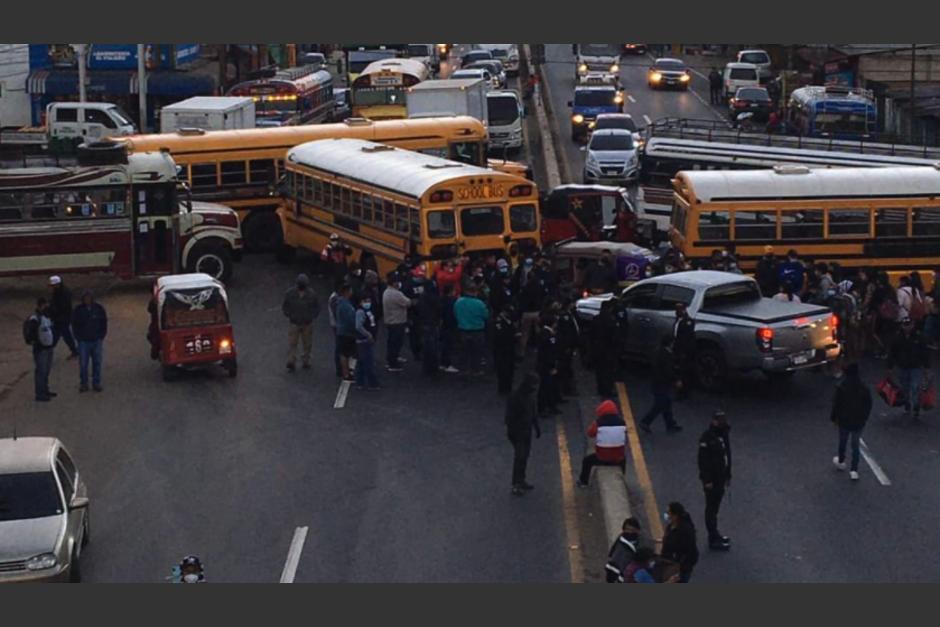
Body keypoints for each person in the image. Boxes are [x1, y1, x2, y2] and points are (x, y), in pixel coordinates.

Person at [831, 363, 872, 481]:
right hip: (858, 421)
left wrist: (834, 418)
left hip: (844, 419)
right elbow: (868, 404)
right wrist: (864, 418)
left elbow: (836, 404)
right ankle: (854, 470)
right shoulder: (864, 388)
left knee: (843, 441)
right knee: (855, 445)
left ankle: (841, 460)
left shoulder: (842, 386)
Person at [698, 410, 732, 550]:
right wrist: (707, 480)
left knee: (715, 508)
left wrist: (728, 474)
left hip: (721, 477)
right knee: (711, 509)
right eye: (718, 420)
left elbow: (726, 456)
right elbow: (703, 461)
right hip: (712, 480)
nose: (721, 422)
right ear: (713, 421)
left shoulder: (723, 434)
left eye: (723, 419)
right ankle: (712, 538)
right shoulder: (707, 438)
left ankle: (715, 534)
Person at [505, 372, 541, 496]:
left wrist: (536, 427)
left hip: (526, 431)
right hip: (518, 432)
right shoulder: (516, 397)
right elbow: (509, 418)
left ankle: (521, 480)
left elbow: (533, 413)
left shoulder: (529, 396)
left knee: (524, 457)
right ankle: (516, 484)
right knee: (520, 457)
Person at [888, 317, 931, 420]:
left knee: (915, 386)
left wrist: (926, 367)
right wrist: (890, 367)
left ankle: (915, 405)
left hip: (915, 367)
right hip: (903, 366)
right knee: (905, 387)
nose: (907, 327)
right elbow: (892, 353)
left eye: (909, 324)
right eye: (905, 325)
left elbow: (924, 353)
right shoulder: (898, 338)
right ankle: (908, 403)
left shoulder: (919, 337)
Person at [578, 400, 626, 487]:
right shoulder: (622, 422)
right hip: (617, 459)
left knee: (587, 461)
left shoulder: (599, 423)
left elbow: (590, 433)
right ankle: (622, 479)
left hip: (602, 458)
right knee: (624, 459)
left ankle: (583, 482)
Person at [640, 336, 682, 433]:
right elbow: (668, 371)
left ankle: (670, 425)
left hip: (657, 382)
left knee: (666, 403)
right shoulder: (668, 355)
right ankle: (646, 421)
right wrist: (676, 380)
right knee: (660, 404)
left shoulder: (658, 352)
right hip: (663, 383)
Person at [281, 273, 320, 372]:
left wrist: (311, 316)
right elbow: (285, 307)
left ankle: (306, 360)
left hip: (307, 322)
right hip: (295, 322)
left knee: (307, 344)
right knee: (292, 343)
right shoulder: (290, 294)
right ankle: (291, 361)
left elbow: (317, 307)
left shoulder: (311, 294)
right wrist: (290, 315)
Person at [71, 290, 107, 393]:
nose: (87, 300)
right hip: (83, 341)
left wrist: (101, 336)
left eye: (89, 298)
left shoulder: (99, 309)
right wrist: (78, 337)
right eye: (85, 298)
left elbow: (104, 323)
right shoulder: (78, 310)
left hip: (96, 340)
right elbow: (74, 324)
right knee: (83, 364)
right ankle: (84, 384)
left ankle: (96, 383)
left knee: (97, 363)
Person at [454, 284, 489, 376]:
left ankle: (463, 369)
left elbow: (455, 314)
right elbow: (486, 315)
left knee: (463, 351)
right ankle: (476, 370)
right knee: (477, 352)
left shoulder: (458, 302)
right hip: (477, 330)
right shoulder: (480, 303)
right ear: (475, 292)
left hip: (463, 329)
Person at [661, 501, 699, 583]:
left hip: (680, 565)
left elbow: (685, 551)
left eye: (668, 513)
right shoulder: (673, 525)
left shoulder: (685, 531)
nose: (667, 515)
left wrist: (676, 564)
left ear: (675, 515)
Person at [27, 297, 57, 402]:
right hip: (41, 349)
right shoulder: (35, 318)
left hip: (48, 347)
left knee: (46, 371)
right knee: (41, 371)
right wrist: (36, 342)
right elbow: (30, 333)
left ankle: (45, 390)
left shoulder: (46, 317)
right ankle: (40, 393)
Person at [382, 273, 413, 372]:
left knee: (391, 342)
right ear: (394, 283)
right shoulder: (396, 294)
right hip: (397, 321)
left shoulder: (386, 292)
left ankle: (391, 359)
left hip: (390, 320)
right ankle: (393, 363)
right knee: (396, 342)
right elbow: (408, 302)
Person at [536, 313, 561, 417]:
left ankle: (550, 406)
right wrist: (552, 366)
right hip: (546, 366)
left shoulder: (545, 333)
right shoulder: (548, 335)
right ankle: (543, 408)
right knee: (545, 387)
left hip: (544, 364)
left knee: (549, 386)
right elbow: (548, 352)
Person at [592, 300, 619, 397]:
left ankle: (600, 388)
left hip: (598, 348)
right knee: (608, 371)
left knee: (599, 370)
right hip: (608, 350)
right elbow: (614, 337)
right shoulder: (611, 320)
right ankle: (608, 390)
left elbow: (592, 335)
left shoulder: (596, 319)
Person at [354, 292, 380, 390]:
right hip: (364, 340)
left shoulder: (367, 311)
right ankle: (372, 383)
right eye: (365, 301)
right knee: (368, 362)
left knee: (361, 362)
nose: (368, 303)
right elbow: (358, 326)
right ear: (360, 302)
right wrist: (368, 334)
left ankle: (360, 382)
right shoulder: (360, 312)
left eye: (369, 301)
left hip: (365, 340)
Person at [604, 517, 642, 583]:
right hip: (615, 565)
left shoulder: (639, 542)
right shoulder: (622, 537)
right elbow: (614, 548)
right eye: (627, 529)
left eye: (632, 530)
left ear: (637, 530)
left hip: (624, 569)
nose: (629, 532)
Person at [48, 276, 78, 358]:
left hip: (62, 318)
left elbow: (63, 306)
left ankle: (48, 351)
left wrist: (53, 312)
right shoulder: (61, 292)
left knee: (57, 335)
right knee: (65, 335)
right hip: (62, 318)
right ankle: (74, 350)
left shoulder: (62, 293)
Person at [417, 279, 442, 375]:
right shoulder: (433, 298)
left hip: (423, 323)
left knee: (426, 346)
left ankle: (426, 367)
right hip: (432, 323)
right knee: (433, 347)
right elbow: (439, 309)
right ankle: (433, 368)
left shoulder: (422, 297)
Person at [555, 298, 580, 396]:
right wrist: (568, 346)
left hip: (569, 346)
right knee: (565, 368)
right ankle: (566, 389)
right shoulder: (565, 317)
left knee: (567, 367)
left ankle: (566, 388)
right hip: (566, 347)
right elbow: (567, 333)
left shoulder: (570, 314)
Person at [493, 305, 520, 394]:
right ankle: (503, 388)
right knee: (503, 369)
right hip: (501, 350)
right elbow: (500, 336)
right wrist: (513, 336)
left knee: (510, 369)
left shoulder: (509, 320)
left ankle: (508, 387)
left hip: (510, 348)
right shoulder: (498, 322)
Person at [334, 283, 357, 382]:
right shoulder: (345, 305)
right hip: (346, 332)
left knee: (344, 353)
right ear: (346, 292)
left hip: (342, 331)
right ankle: (346, 374)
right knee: (344, 353)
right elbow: (350, 319)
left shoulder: (341, 303)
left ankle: (345, 371)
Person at [673, 303, 696, 401]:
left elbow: (687, 338)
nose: (676, 312)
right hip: (677, 349)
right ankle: (680, 392)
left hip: (684, 351)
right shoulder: (678, 320)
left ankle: (683, 393)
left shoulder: (688, 322)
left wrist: (684, 352)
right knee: (678, 371)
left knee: (684, 373)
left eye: (678, 310)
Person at [440, 284, 460, 373]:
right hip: (450, 325)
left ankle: (443, 363)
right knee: (448, 345)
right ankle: (447, 364)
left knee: (444, 345)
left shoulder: (441, 299)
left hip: (443, 325)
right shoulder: (453, 301)